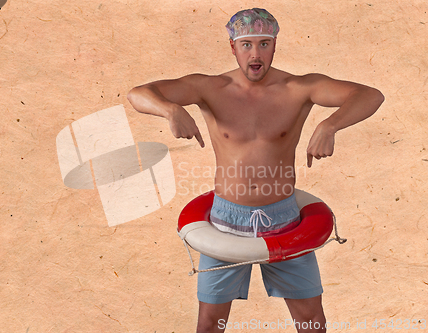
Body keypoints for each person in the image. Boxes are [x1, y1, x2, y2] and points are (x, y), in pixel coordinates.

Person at [127, 8, 384, 333]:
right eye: (247, 44)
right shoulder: (209, 88)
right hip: (225, 221)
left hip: (285, 219)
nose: (255, 53)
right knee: (209, 324)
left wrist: (330, 125)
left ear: (275, 45)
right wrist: (171, 110)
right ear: (233, 47)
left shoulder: (299, 88)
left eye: (264, 43)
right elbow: (138, 94)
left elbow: (370, 95)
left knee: (311, 321)